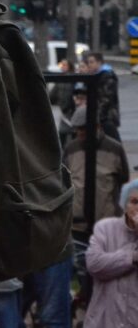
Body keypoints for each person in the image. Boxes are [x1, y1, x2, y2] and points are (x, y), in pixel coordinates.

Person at [64, 105, 131, 235]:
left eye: (84, 128)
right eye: (78, 128)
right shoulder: (71, 149)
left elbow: (124, 178)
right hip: (77, 226)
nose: (80, 132)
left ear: (97, 126)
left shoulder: (115, 149)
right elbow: (63, 181)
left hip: (107, 224)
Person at [82, 178, 138, 328]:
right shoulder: (105, 228)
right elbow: (94, 264)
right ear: (124, 204)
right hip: (103, 321)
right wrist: (132, 257)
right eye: (134, 202)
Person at [85, 51, 121, 140]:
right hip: (101, 116)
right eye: (88, 62)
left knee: (113, 143)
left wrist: (98, 116)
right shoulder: (95, 76)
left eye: (91, 62)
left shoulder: (107, 76)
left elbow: (106, 99)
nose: (89, 65)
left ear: (99, 62)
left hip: (107, 117)